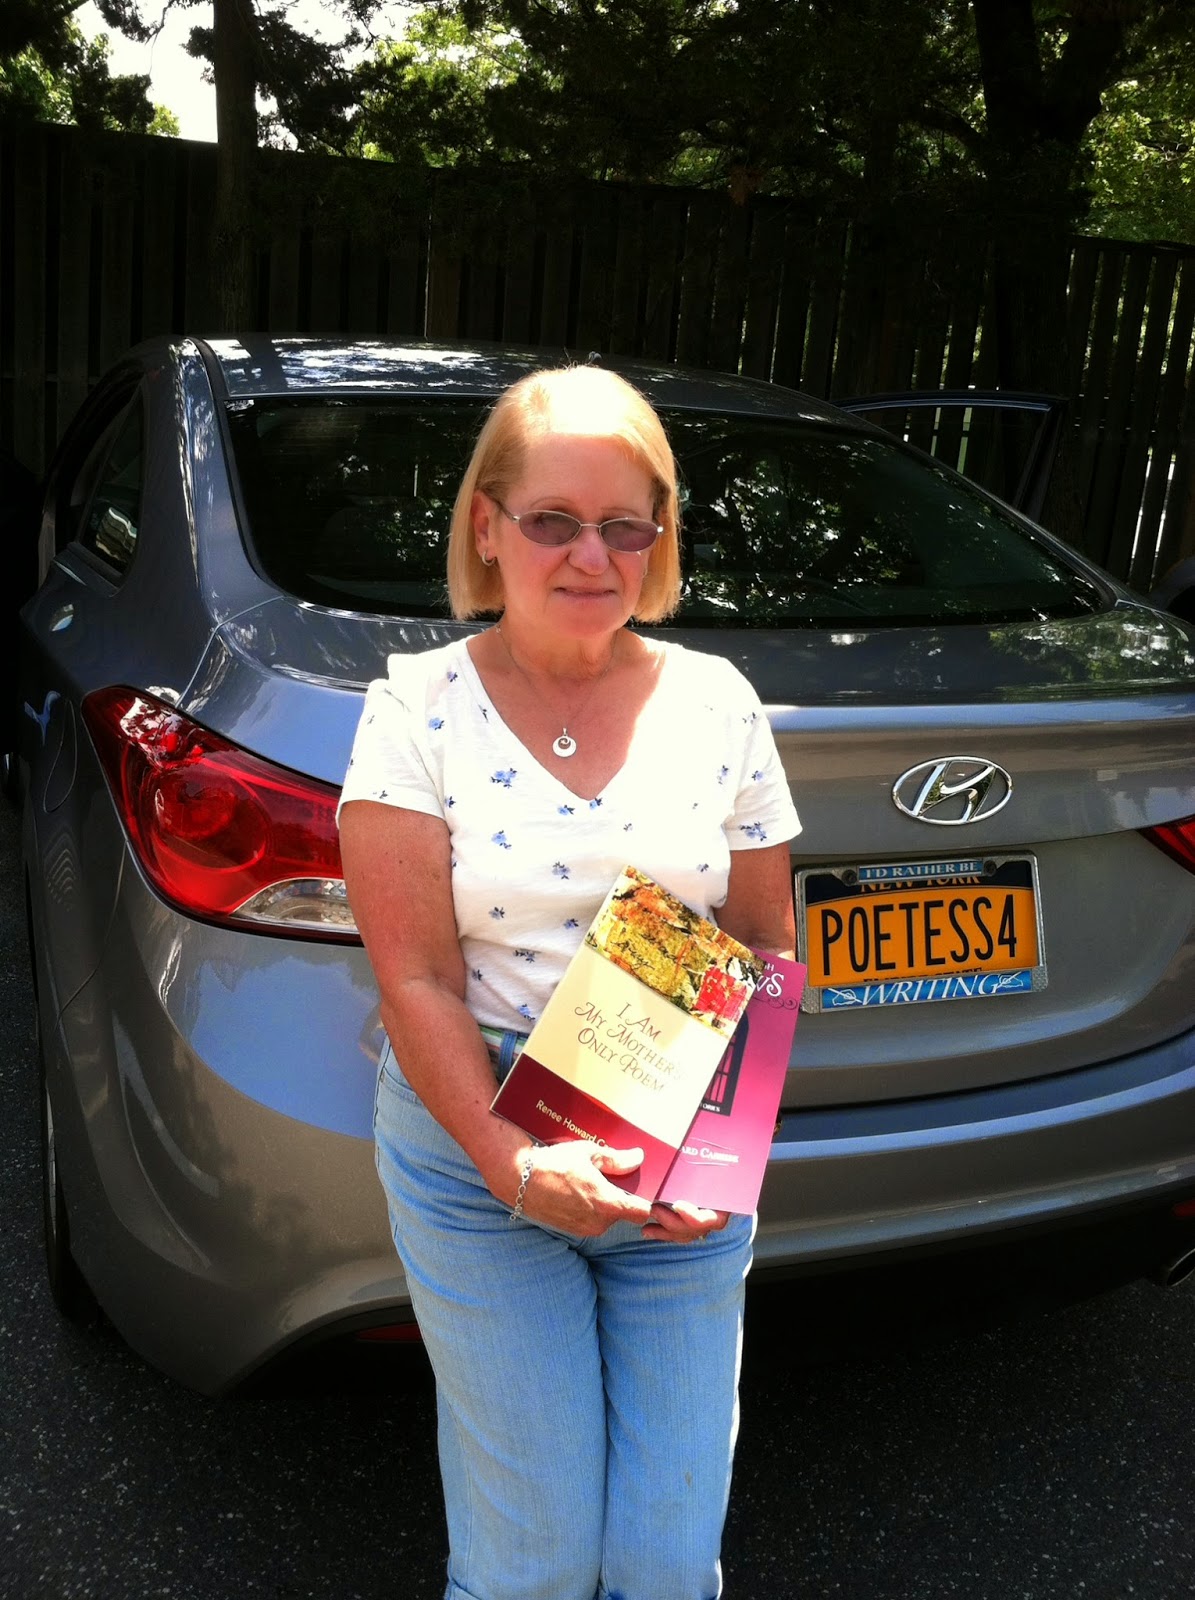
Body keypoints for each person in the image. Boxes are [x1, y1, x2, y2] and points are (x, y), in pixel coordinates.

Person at [337, 365, 800, 1600]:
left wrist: (717, 1154)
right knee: (530, 1562)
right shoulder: (415, 710)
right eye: (552, 519)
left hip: (674, 1143)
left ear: (659, 538)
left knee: (665, 1564)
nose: (591, 555)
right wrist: (509, 1161)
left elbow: (765, 944)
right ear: (486, 527)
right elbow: (417, 979)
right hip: (479, 1146)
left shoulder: (718, 703)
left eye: (623, 525)